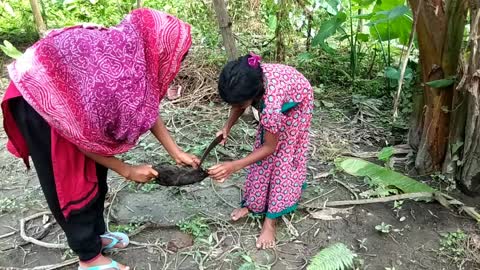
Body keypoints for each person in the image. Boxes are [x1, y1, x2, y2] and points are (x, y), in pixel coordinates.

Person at [1, 9, 199, 270]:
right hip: (41, 103)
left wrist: (175, 151)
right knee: (73, 181)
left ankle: (96, 236)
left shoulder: (132, 56)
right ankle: (89, 257)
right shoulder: (112, 76)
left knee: (96, 173)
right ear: (159, 50)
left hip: (74, 103)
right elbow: (81, 138)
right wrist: (126, 170)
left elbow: (146, 105)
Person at [208, 52, 313, 249]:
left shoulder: (271, 107)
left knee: (282, 157)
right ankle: (253, 203)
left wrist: (234, 166)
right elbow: (239, 103)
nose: (236, 106)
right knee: (260, 152)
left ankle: (270, 222)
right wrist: (226, 128)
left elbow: (270, 148)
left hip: (297, 104)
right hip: (279, 94)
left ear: (255, 95)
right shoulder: (249, 80)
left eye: (239, 103)